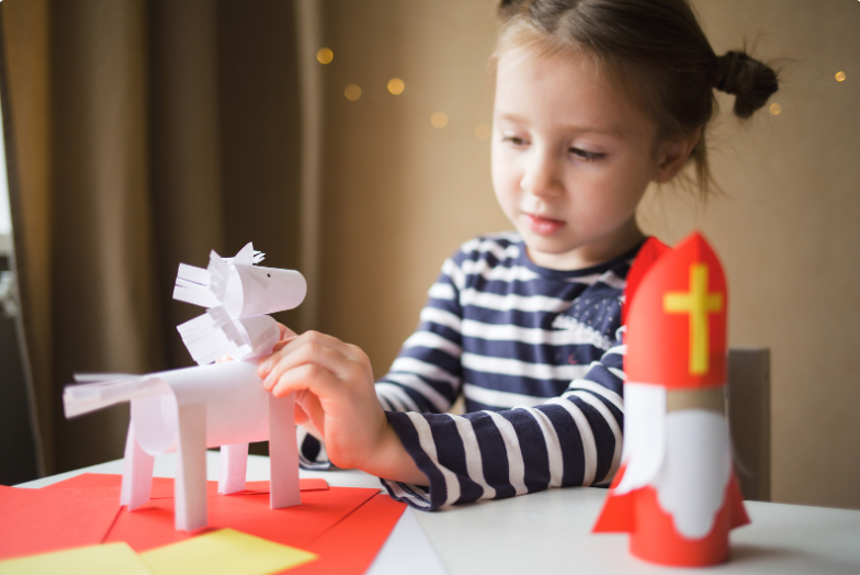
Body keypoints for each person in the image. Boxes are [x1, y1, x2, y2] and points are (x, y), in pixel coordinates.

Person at [256, 0, 778, 511]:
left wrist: (389, 443)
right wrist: (328, 412)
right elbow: (412, 392)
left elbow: (598, 430)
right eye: (514, 137)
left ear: (667, 155)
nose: (537, 180)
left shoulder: (673, 288)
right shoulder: (473, 271)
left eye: (585, 152)